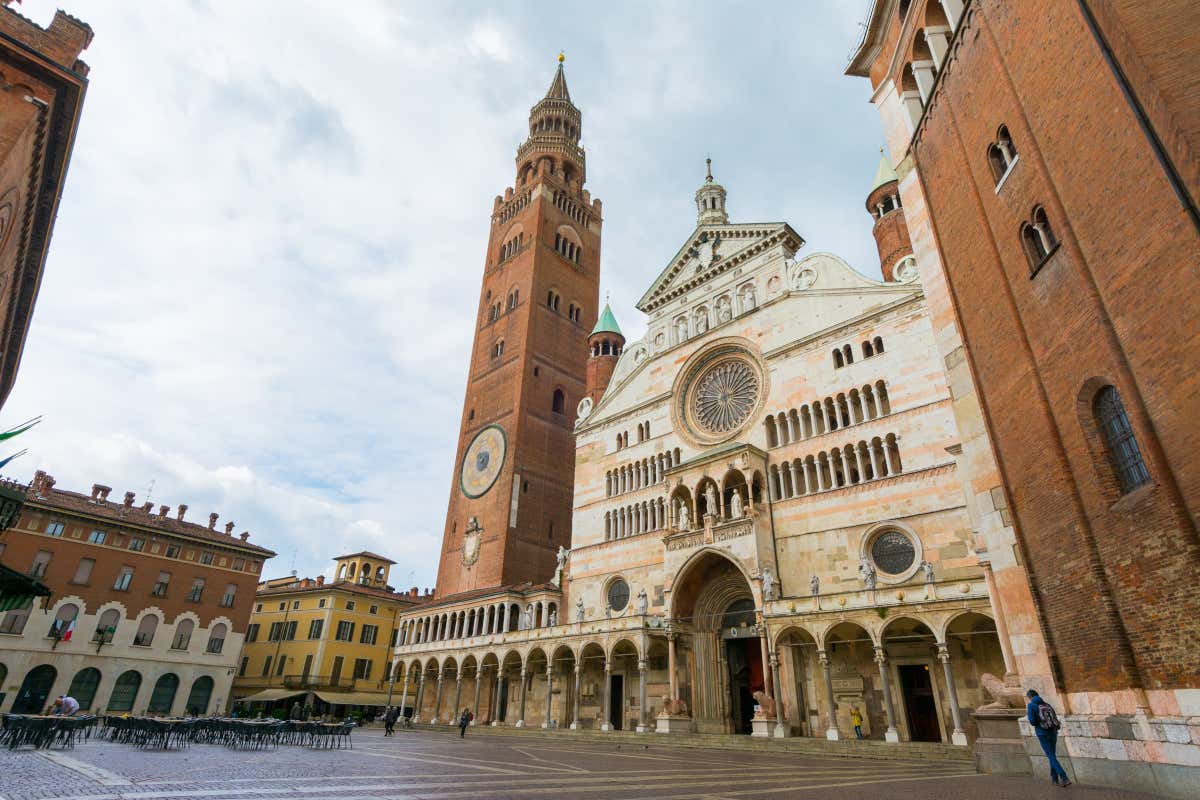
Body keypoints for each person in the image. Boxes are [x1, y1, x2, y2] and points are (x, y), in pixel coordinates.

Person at [1026, 690, 1070, 787]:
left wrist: (1039, 723)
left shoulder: (1031, 705)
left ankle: (1064, 778)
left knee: (1051, 756)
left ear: (1029, 697)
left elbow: (1032, 721)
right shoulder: (1047, 704)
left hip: (1042, 733)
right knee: (1052, 756)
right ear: (1037, 695)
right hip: (1053, 732)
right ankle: (1054, 779)